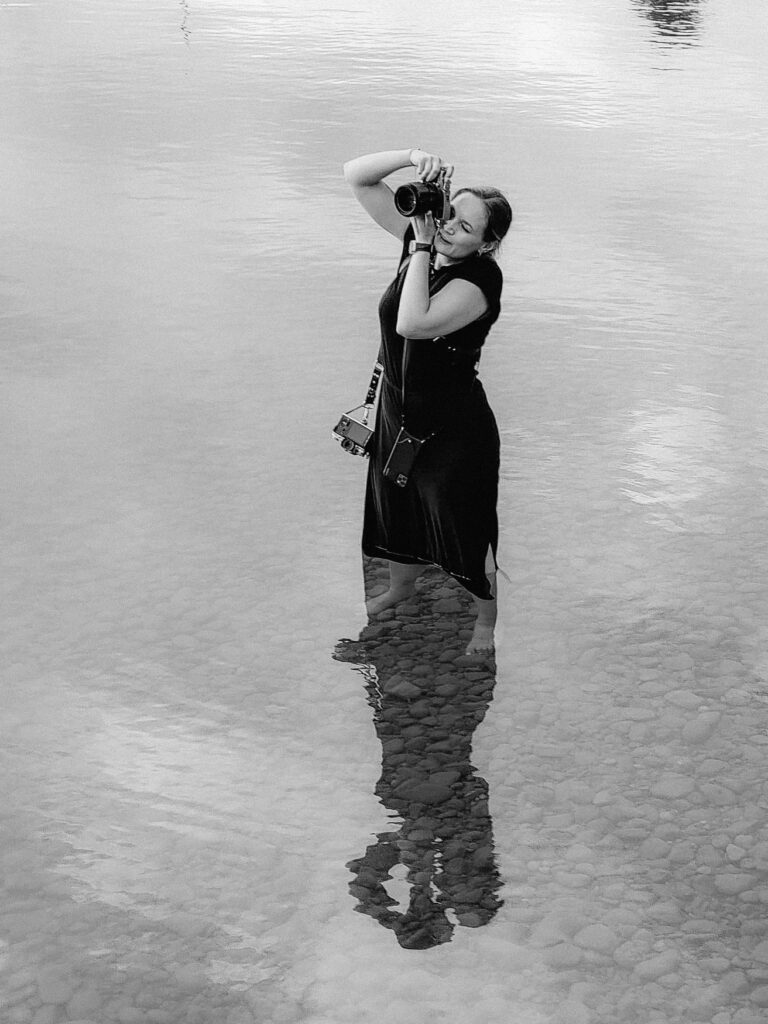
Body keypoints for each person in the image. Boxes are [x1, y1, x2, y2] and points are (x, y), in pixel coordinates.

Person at [343, 148, 512, 655]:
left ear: (488, 243)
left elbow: (412, 322)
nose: (448, 228)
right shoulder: (422, 245)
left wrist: (420, 245)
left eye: (465, 227)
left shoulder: (480, 281)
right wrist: (412, 156)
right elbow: (356, 177)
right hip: (398, 413)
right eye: (448, 214)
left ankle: (485, 621)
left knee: (464, 526)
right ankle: (401, 586)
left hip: (452, 430)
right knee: (395, 508)